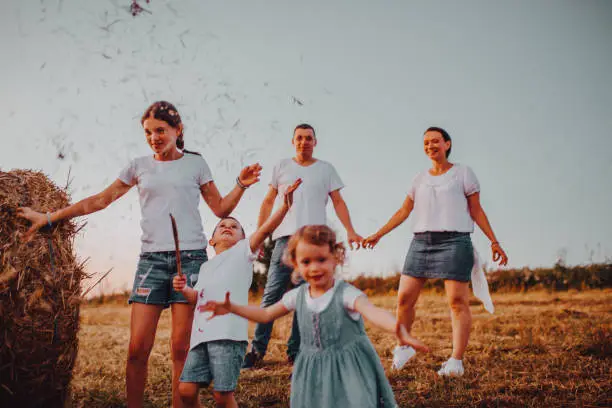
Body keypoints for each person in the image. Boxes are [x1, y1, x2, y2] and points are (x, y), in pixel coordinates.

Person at [16, 101, 262, 407]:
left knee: (181, 349)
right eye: (148, 132)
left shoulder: (196, 164)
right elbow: (101, 200)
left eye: (161, 130)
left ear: (178, 130)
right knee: (136, 349)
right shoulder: (138, 165)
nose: (154, 137)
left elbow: (221, 208)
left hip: (192, 260)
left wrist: (240, 184)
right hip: (152, 262)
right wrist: (51, 216)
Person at [202, 225, 429, 407]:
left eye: (321, 259)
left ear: (336, 258)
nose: (314, 268)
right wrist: (233, 307)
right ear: (296, 265)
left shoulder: (345, 293)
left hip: (349, 366)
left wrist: (398, 329)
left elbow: (372, 312)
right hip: (312, 367)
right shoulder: (298, 295)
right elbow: (265, 314)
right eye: (306, 262)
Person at [363, 126, 508, 377]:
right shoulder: (419, 179)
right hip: (421, 242)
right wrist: (378, 234)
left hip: (455, 241)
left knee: (457, 301)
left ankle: (455, 362)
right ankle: (404, 346)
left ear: (447, 144)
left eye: (436, 141)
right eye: (426, 142)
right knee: (404, 299)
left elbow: (476, 210)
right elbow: (403, 211)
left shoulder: (463, 173)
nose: (431, 146)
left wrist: (494, 241)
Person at [171, 179, 301, 408]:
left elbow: (266, 228)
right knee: (186, 390)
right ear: (211, 241)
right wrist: (184, 290)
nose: (228, 227)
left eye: (234, 226)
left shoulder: (243, 253)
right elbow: (196, 298)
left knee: (223, 395)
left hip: (229, 337)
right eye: (222, 226)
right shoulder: (204, 267)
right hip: (200, 338)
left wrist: (284, 207)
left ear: (244, 239)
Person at [243, 123, 363, 368]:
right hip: (285, 240)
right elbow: (268, 201)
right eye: (299, 138)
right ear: (293, 141)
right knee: (271, 296)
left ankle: (296, 351)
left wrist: (350, 230)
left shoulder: (326, 169)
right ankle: (256, 350)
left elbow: (338, 202)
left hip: (315, 241)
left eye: (309, 138)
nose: (304, 142)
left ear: (315, 142)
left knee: (307, 298)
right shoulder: (281, 167)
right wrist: (260, 234)